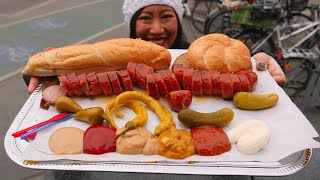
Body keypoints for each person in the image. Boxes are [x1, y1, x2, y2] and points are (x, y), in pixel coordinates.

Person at [26, 0, 286, 93]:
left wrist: (258, 62)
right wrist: (39, 72)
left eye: (167, 16)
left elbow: (235, 63)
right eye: (145, 17)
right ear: (131, 24)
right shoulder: (112, 58)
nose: (157, 29)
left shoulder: (193, 57)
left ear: (179, 20)